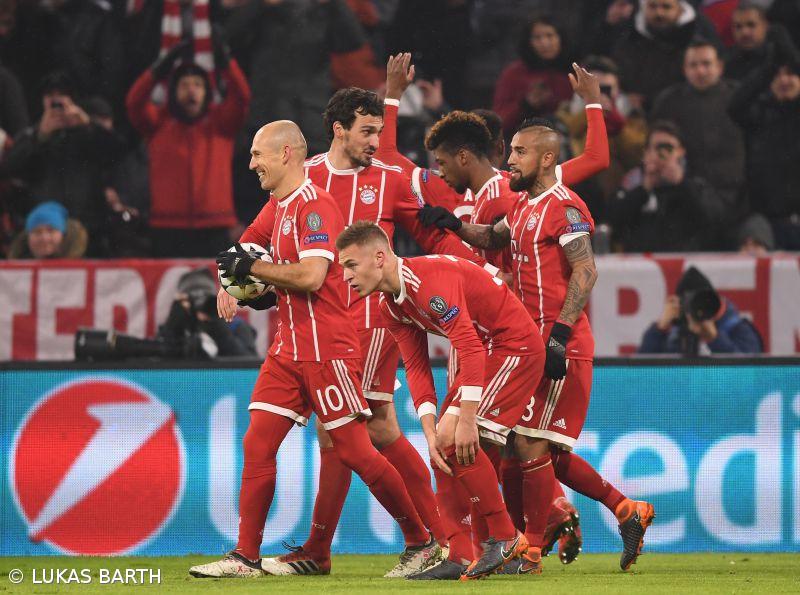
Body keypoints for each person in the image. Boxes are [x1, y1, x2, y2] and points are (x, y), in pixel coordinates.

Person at [188, 120, 437, 579]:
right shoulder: (277, 206)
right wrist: (232, 283)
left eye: (257, 154)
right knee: (258, 441)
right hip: (288, 347)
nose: (251, 163)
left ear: (285, 154)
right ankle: (245, 556)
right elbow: (243, 248)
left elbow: (311, 276)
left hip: (327, 348)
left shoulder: (314, 206)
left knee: (359, 452)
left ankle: (422, 542)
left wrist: (255, 268)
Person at [262, 86, 490, 578]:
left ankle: (400, 542)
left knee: (341, 432)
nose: (376, 142)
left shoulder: (389, 179)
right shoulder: (307, 178)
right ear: (338, 130)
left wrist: (479, 268)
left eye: (380, 132)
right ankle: (436, 539)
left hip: (370, 322)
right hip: (321, 325)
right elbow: (267, 232)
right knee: (374, 429)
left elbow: (429, 234)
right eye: (367, 131)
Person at [420, 117, 655, 572]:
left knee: (529, 443)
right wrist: (452, 225)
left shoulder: (565, 206)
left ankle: (527, 551)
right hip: (527, 344)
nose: (510, 159)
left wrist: (560, 336)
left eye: (520, 152)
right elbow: (494, 237)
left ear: (547, 158)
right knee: (532, 448)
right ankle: (627, 510)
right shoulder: (526, 205)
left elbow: (586, 272)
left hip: (557, 344)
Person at [336, 222, 549, 579]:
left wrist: (466, 420)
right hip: (485, 351)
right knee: (440, 450)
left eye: (350, 265)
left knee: (455, 438)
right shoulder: (391, 307)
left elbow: (470, 346)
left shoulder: (427, 283)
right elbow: (417, 369)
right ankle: (459, 553)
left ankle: (506, 537)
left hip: (514, 346)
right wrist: (429, 430)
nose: (345, 276)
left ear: (379, 257)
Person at [126, 42, 250, 257]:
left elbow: (242, 98)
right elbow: (133, 103)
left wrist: (228, 65)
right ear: (173, 92)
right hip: (167, 228)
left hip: (214, 227)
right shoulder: (158, 123)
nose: (191, 90)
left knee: (215, 290)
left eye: (197, 85)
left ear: (206, 92)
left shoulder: (221, 124)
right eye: (184, 85)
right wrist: (155, 71)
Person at [3, 71, 124, 255]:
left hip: (89, 227)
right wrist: (40, 136)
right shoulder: (32, 135)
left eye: (62, 95)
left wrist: (87, 124)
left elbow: (118, 151)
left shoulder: (88, 133)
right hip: (45, 232)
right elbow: (10, 167)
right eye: (50, 95)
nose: (56, 100)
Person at [650, 40, 746, 216]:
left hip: (735, 195)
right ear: (684, 69)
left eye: (706, 64)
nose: (700, 71)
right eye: (693, 65)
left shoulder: (739, 97)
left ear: (720, 66)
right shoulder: (668, 102)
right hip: (683, 194)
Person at [607, 121, 725, 252]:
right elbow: (614, 220)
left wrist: (681, 183)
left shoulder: (696, 183)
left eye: (668, 148)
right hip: (640, 264)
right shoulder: (633, 181)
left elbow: (715, 220)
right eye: (657, 148)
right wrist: (644, 189)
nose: (662, 154)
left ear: (681, 152)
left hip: (683, 262)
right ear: (646, 152)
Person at [557, 55, 646, 219]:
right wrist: (592, 111)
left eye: (605, 89)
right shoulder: (564, 115)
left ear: (618, 88)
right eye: (593, 88)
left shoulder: (632, 116)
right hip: (573, 200)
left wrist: (617, 124)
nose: (598, 94)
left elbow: (636, 156)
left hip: (621, 200)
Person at [728, 47, 800, 250]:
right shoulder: (759, 115)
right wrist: (769, 68)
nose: (784, 81)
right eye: (778, 75)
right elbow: (734, 106)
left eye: (791, 74)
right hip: (768, 225)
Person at [612, 0, 720, 109]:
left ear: (680, 9)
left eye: (666, 7)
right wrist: (625, 97)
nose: (659, 13)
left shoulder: (699, 33)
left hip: (686, 109)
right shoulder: (629, 37)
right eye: (652, 6)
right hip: (635, 115)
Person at [639, 266, 763, 355]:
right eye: (689, 303)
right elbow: (641, 376)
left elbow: (749, 376)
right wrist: (660, 328)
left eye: (701, 303)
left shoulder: (737, 328)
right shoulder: (673, 334)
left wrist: (714, 339)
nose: (696, 310)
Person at [492, 15, 574, 140]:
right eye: (537, 37)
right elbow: (499, 122)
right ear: (528, 41)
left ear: (560, 38)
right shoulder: (514, 73)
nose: (544, 43)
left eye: (549, 35)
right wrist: (526, 104)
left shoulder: (574, 72)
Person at [157, 268, 258, 358]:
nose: (200, 305)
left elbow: (250, 364)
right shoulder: (178, 326)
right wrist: (174, 322)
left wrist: (217, 325)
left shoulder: (235, 325)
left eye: (206, 299)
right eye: (194, 300)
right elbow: (158, 360)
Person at [726, 2, 800, 82]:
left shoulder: (781, 57)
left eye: (751, 25)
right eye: (738, 27)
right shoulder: (728, 63)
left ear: (765, 26)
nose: (745, 32)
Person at [7, 200, 87, 259]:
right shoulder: (12, 273)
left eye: (51, 231)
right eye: (37, 232)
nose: (44, 238)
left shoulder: (80, 271)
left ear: (64, 234)